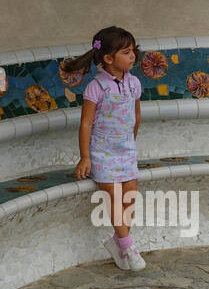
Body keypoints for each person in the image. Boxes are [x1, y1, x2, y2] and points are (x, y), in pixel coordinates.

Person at [62, 27, 146, 270]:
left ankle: (117, 242)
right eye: (127, 52)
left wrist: (130, 142)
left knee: (130, 197)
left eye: (133, 51)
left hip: (126, 151)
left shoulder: (134, 83)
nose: (133, 56)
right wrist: (85, 157)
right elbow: (86, 123)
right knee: (114, 197)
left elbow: (136, 115)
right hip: (102, 153)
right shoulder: (96, 87)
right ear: (108, 58)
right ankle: (129, 247)